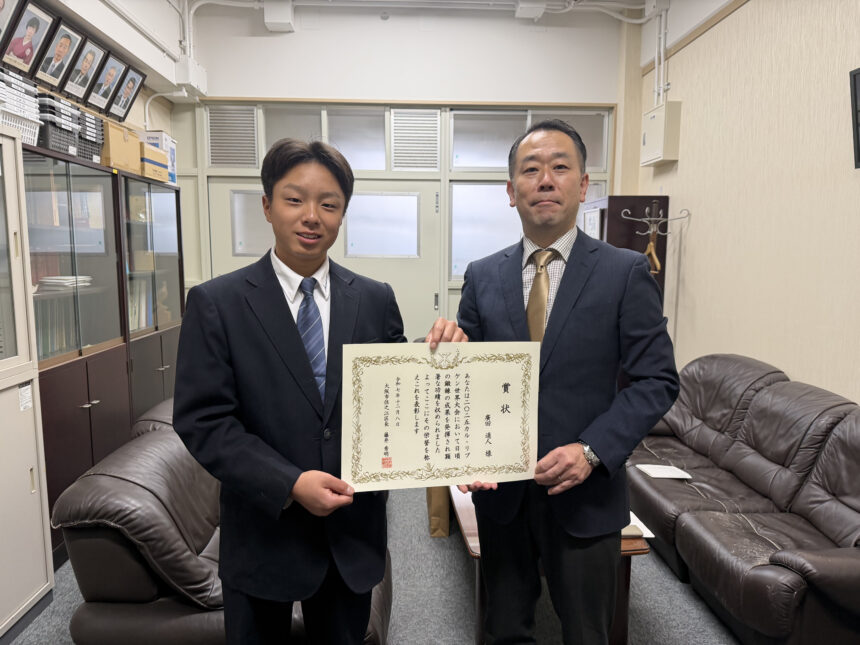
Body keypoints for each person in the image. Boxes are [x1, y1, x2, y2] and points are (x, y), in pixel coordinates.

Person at [427, 119, 679, 644]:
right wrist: (448, 350)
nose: (545, 179)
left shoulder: (625, 271)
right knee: (503, 629)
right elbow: (469, 377)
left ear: (583, 185)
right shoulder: (482, 274)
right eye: (531, 169)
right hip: (502, 497)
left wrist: (591, 450)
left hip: (586, 495)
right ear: (510, 191)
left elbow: (656, 380)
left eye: (560, 167)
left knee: (587, 633)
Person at [173, 138, 406, 644]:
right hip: (263, 534)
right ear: (267, 205)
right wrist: (290, 482)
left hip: (350, 536)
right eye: (294, 199)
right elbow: (203, 421)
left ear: (342, 214)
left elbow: (399, 399)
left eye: (329, 204)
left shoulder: (374, 299)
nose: (311, 217)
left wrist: (443, 356)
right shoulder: (217, 303)